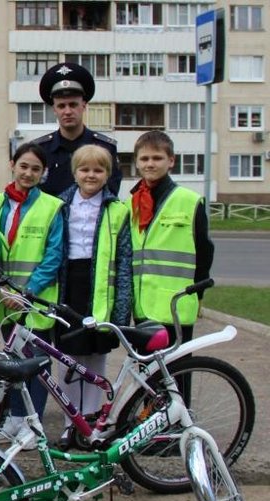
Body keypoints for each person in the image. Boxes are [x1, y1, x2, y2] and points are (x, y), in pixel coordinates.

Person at [55, 144, 133, 449]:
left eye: (98, 170)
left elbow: (124, 260)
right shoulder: (61, 205)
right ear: (75, 172)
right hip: (69, 286)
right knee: (69, 358)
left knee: (95, 359)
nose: (91, 175)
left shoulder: (117, 210)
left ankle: (90, 422)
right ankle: (68, 422)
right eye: (85, 169)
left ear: (108, 175)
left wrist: (121, 309)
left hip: (101, 290)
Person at [0, 142, 64, 449]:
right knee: (14, 361)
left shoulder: (52, 206)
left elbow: (54, 254)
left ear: (43, 173)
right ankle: (16, 417)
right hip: (7, 300)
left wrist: (28, 292)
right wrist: (4, 288)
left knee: (38, 365)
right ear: (12, 165)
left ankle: (34, 426)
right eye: (24, 166)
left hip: (37, 299)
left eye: (36, 169)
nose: (29, 173)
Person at [128, 130, 214, 346]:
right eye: (144, 158)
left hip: (176, 304)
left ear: (171, 161)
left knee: (177, 372)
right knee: (146, 373)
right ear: (137, 162)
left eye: (157, 158)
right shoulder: (132, 203)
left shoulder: (189, 201)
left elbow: (204, 251)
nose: (150, 164)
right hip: (142, 306)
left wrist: (199, 293)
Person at [35, 62, 121, 197]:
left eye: (73, 105)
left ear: (84, 105)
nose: (68, 111)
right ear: (54, 110)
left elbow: (111, 193)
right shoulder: (40, 149)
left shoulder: (105, 147)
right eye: (61, 106)